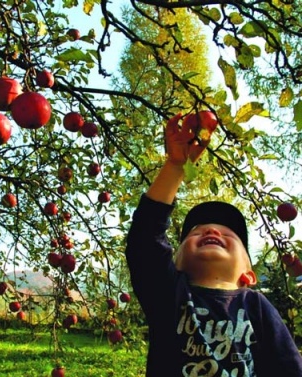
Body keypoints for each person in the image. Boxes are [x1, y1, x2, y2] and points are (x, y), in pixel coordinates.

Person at [125, 113, 302, 376]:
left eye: (228, 233)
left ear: (248, 275)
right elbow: (145, 240)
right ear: (176, 263)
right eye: (196, 232)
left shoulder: (257, 306)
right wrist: (175, 166)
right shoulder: (169, 293)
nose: (211, 230)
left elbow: (288, 368)